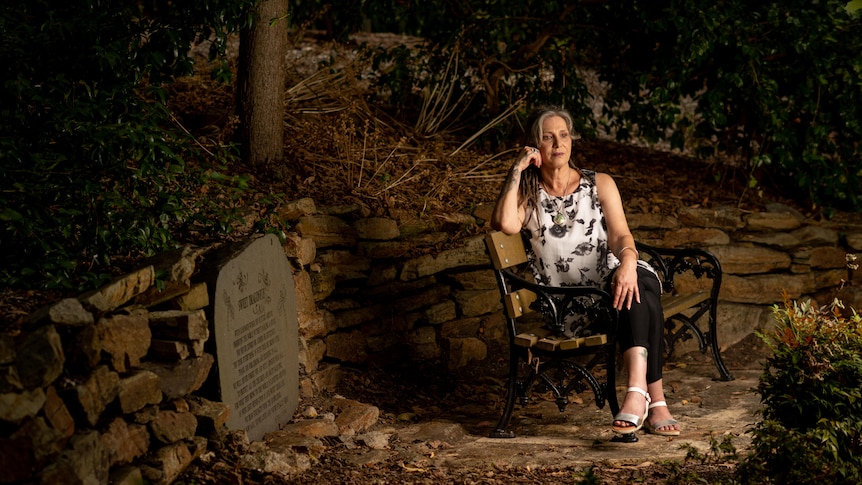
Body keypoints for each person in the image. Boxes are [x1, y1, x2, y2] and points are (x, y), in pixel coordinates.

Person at [490, 106, 680, 436]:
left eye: (563, 135)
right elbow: (504, 223)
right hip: (572, 303)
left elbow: (621, 235)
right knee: (639, 295)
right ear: (535, 146)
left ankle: (637, 394)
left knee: (635, 284)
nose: (557, 143)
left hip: (613, 278)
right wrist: (516, 169)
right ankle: (656, 400)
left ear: (573, 140)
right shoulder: (528, 196)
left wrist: (629, 263)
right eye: (547, 138)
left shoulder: (599, 183)